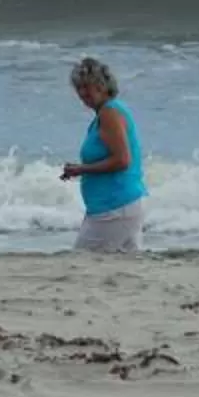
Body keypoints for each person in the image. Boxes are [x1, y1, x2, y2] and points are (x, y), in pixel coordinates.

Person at [58, 56, 147, 252]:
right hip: (120, 206)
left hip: (113, 208)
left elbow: (122, 160)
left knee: (81, 263)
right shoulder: (107, 113)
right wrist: (80, 170)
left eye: (87, 87)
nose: (82, 93)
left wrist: (81, 169)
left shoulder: (110, 112)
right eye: (79, 88)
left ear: (102, 85)